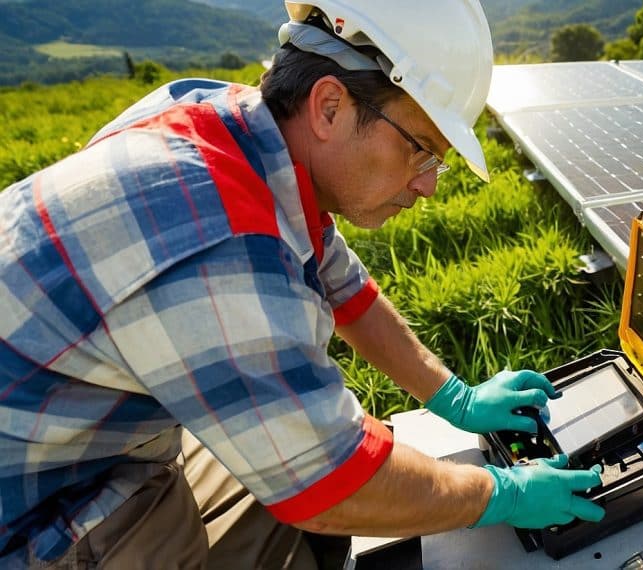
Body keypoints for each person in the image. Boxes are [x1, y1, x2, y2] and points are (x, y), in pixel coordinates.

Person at [0, 1, 605, 567]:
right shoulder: (215, 236)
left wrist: (458, 399)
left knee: (301, 472)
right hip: (36, 512)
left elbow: (346, 292)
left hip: (92, 448)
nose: (428, 186)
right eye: (423, 151)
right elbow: (330, 482)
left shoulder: (232, 128)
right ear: (329, 106)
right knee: (318, 483)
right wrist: (500, 493)